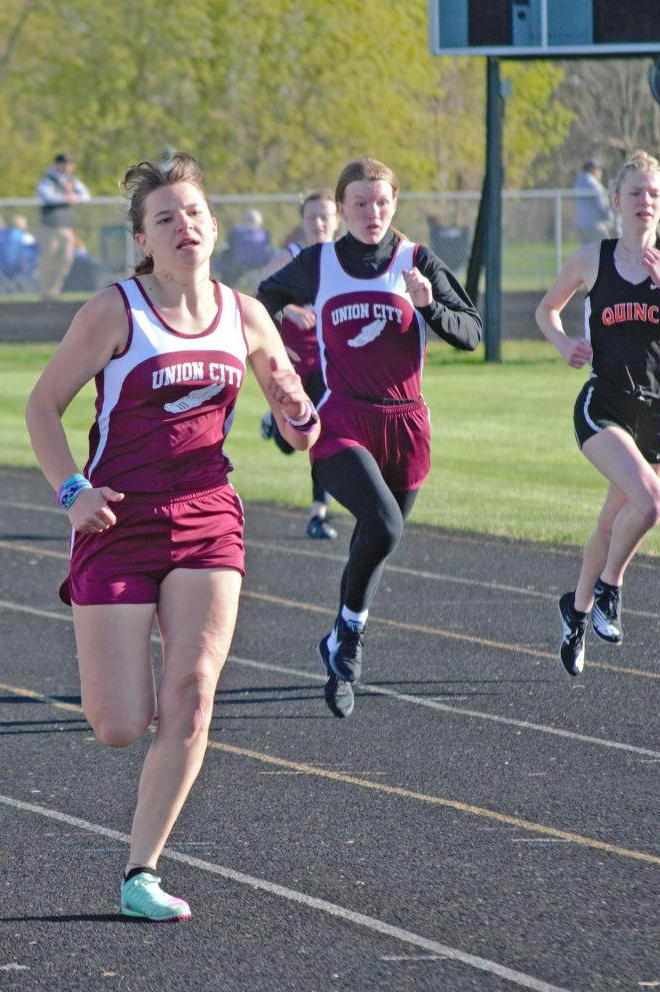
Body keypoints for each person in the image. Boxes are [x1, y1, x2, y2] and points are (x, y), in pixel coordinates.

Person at [25, 152, 317, 922]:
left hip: (206, 516)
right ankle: (122, 697)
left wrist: (299, 414)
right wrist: (72, 491)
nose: (184, 226)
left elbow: (297, 419)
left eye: (193, 213)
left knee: (191, 696)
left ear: (214, 226)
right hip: (118, 520)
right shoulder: (113, 311)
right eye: (165, 218)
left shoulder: (244, 313)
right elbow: (42, 408)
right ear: (144, 240)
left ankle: (140, 872)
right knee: (120, 724)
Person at [258, 156, 481, 719]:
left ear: (395, 204)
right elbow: (262, 297)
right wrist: (279, 347)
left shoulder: (416, 261)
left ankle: (338, 639)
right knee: (382, 524)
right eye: (359, 203)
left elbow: (472, 332)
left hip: (406, 425)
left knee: (378, 539)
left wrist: (430, 305)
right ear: (341, 209)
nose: (371, 213)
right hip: (342, 422)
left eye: (381, 202)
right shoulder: (320, 262)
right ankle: (352, 636)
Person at [535, 149, 660, 678]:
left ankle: (576, 610)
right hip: (606, 404)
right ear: (616, 200)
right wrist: (562, 342)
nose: (645, 202)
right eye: (635, 193)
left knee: (616, 517)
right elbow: (545, 309)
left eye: (654, 194)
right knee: (652, 502)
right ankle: (610, 589)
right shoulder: (592, 258)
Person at [258, 190, 341, 540]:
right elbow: (256, 301)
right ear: (303, 222)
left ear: (338, 219)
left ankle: (318, 514)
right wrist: (289, 309)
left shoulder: (345, 258)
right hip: (292, 362)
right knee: (289, 442)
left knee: (323, 436)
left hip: (331, 363)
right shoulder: (289, 257)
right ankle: (274, 424)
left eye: (325, 217)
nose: (319, 224)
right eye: (312, 218)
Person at [36, 153, 91, 301]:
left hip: (66, 227)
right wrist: (65, 198)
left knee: (66, 258)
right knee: (49, 259)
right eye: (64, 163)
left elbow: (86, 195)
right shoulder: (49, 180)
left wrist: (75, 197)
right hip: (50, 226)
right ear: (58, 164)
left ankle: (55, 290)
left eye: (69, 164)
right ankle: (46, 292)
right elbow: (46, 197)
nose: (67, 167)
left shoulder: (72, 181)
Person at [219, 207, 274, 287]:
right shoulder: (265, 234)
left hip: (238, 266)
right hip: (260, 265)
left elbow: (228, 246)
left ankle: (226, 287)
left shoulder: (236, 231)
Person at [573, 159, 613, 245]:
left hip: (581, 225)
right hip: (596, 225)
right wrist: (610, 218)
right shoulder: (594, 184)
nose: (600, 173)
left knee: (587, 254)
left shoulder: (578, 183)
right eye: (599, 170)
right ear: (593, 170)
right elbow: (602, 205)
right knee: (605, 252)